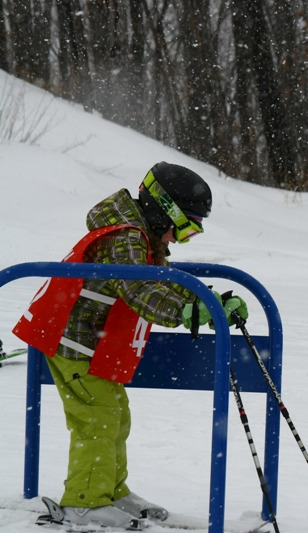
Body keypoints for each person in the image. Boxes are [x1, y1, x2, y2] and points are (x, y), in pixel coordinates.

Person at [13, 162, 249, 529]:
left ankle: (110, 491)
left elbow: (160, 282)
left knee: (115, 416)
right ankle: (85, 502)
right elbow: (140, 289)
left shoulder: (140, 236)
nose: (178, 239)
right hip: (73, 340)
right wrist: (189, 309)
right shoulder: (126, 238)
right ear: (164, 210)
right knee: (96, 419)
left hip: (88, 341)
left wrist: (208, 301)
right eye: (183, 227)